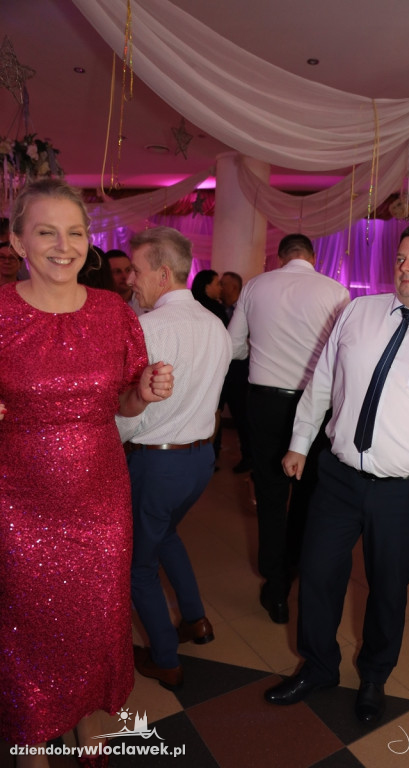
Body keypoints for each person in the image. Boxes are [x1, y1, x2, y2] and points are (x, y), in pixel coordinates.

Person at [264, 222, 409, 724]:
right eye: (400, 258)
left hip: (408, 492)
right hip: (338, 477)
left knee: (388, 588)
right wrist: (300, 443)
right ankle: (318, 666)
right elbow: (323, 380)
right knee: (318, 573)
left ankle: (374, 677)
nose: (405, 268)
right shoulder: (358, 311)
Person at [0, 179, 173, 768]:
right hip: (19, 498)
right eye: (46, 232)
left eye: (75, 232)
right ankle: (30, 736)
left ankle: (87, 714)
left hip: (100, 495)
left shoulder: (112, 312)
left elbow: (122, 403)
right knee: (26, 620)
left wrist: (143, 392)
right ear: (18, 241)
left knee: (95, 616)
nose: (63, 245)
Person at [116, 227, 231, 691]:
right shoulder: (216, 325)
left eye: (136, 271)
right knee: (166, 535)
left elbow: (132, 415)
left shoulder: (147, 328)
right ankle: (196, 620)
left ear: (163, 274)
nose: (130, 281)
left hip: (157, 463)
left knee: (138, 565)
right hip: (200, 461)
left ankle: (165, 659)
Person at [228, 234, 350, 623]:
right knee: (308, 490)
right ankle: (295, 567)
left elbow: (234, 345)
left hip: (265, 401)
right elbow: (343, 355)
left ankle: (275, 585)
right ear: (313, 257)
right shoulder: (335, 291)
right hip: (315, 402)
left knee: (270, 491)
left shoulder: (256, 285)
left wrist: (260, 352)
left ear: (280, 257)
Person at [219, 270, 252, 473]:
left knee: (242, 418)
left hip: (241, 374)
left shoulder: (248, 310)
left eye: (223, 284)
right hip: (221, 373)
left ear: (233, 287)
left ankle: (248, 457)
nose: (220, 287)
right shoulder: (217, 310)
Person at [106, 248, 145, 315]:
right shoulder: (102, 304)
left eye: (128, 270)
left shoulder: (145, 300)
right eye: (117, 272)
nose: (125, 276)